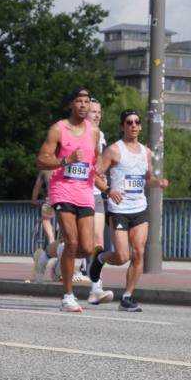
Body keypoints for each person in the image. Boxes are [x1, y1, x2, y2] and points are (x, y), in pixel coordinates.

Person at [88, 108, 169, 312]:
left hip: (139, 208)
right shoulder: (114, 150)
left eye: (136, 122)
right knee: (122, 256)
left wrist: (157, 182)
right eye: (129, 122)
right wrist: (108, 190)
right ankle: (100, 258)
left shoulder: (146, 152)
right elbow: (94, 174)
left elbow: (147, 178)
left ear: (140, 126)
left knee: (139, 252)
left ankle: (127, 297)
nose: (133, 126)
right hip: (118, 209)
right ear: (122, 127)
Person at [33, 87, 104, 312]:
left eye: (86, 101)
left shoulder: (93, 132)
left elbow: (96, 162)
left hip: (85, 192)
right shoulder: (58, 129)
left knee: (86, 247)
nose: (84, 105)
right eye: (79, 101)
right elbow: (42, 161)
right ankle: (67, 295)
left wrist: (105, 182)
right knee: (72, 242)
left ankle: (60, 257)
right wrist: (66, 161)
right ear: (71, 104)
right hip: (62, 190)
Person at [78, 97, 108, 282]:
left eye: (99, 112)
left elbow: (100, 161)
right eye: (93, 112)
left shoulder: (101, 135)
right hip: (77, 191)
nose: (97, 115)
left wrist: (102, 172)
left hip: (95, 192)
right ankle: (48, 257)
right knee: (76, 242)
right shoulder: (74, 133)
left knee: (98, 237)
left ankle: (96, 281)